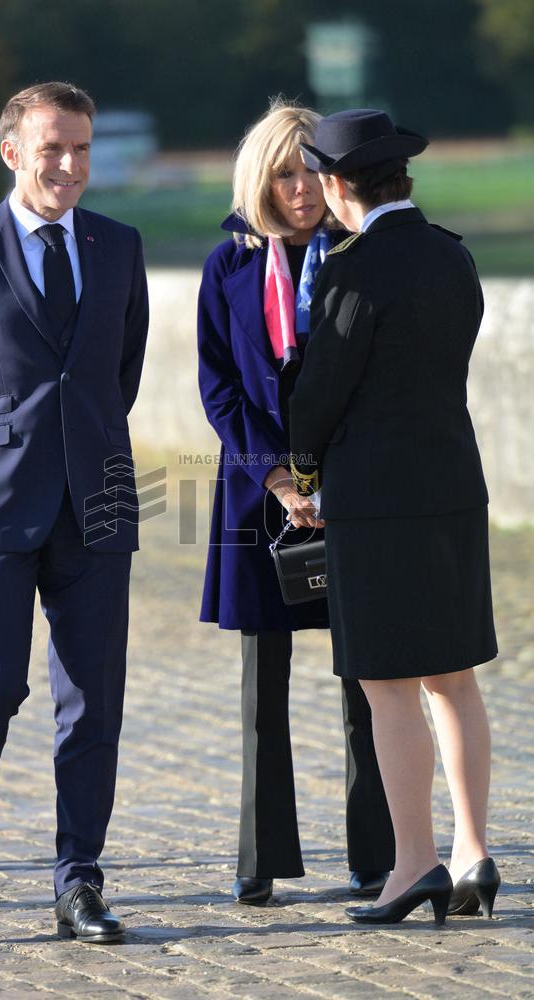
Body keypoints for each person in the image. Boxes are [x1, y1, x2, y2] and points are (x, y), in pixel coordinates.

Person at [0, 82, 148, 941]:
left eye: (81, 148)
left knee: (93, 702)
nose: (70, 165)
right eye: (53, 148)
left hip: (100, 503)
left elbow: (120, 371)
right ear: (13, 151)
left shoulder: (120, 247)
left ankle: (79, 880)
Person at [290, 108, 499, 926]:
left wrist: (302, 463)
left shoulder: (354, 267)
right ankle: (477, 851)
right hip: (453, 483)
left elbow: (321, 393)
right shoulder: (453, 254)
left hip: (376, 500)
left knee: (387, 688)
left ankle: (415, 864)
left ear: (339, 186)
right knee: (454, 677)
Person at [197, 100, 395, 906]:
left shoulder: (360, 255)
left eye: (313, 170)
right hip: (256, 492)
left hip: (350, 489)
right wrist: (278, 478)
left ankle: (377, 852)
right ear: (261, 178)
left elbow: (378, 381)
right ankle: (261, 855)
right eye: (284, 173)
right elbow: (219, 385)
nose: (302, 189)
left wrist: (324, 481)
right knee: (259, 690)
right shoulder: (229, 265)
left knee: (367, 681)